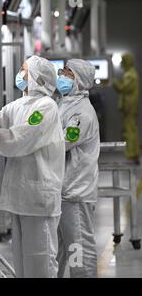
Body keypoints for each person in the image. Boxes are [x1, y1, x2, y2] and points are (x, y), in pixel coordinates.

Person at [0, 56, 65, 278]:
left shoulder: (46, 107)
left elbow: (18, 139)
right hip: (22, 198)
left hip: (38, 197)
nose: (20, 73)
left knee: (40, 263)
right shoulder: (19, 105)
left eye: (24, 69)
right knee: (24, 265)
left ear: (36, 77)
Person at [55, 59, 100, 278]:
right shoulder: (65, 103)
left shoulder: (81, 113)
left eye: (68, 73)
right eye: (63, 70)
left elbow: (62, 142)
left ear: (80, 81)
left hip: (76, 192)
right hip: (64, 191)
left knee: (79, 252)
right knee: (59, 251)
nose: (62, 75)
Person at [113, 53, 140, 164]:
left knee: (129, 130)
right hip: (130, 106)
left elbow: (122, 88)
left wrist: (112, 80)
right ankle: (133, 153)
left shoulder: (130, 75)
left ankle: (132, 153)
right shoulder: (131, 74)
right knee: (131, 129)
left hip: (129, 107)